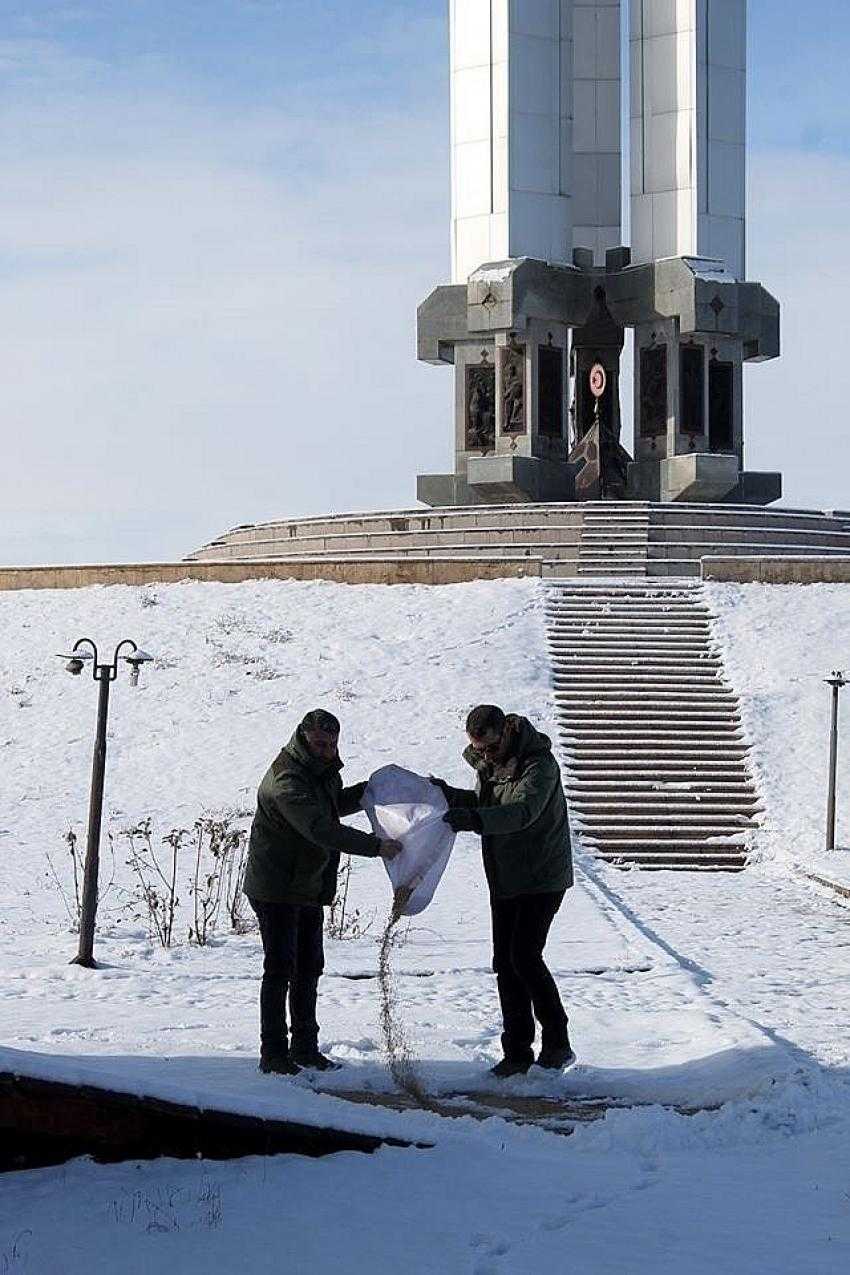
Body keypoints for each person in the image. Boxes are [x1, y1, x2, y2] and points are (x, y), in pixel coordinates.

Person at [244, 709, 401, 1076]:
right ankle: (274, 1053)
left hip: (305, 885)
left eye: (332, 744)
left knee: (309, 967)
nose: (327, 751)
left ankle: (305, 1048)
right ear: (303, 737)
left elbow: (329, 806)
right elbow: (319, 827)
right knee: (280, 968)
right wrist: (375, 846)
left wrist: (369, 792)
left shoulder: (319, 771)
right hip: (277, 887)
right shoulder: (287, 779)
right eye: (320, 744)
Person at [433, 705, 574, 1078]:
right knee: (505, 964)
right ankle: (516, 1052)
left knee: (524, 957)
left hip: (542, 878)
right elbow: (488, 804)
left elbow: (522, 810)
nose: (484, 755)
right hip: (506, 877)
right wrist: (447, 796)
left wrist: (475, 820)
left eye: (489, 747)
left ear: (505, 733)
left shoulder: (539, 766)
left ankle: (557, 1042)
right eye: (477, 749)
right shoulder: (491, 762)